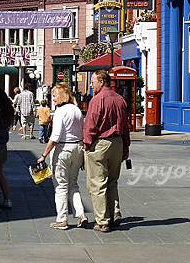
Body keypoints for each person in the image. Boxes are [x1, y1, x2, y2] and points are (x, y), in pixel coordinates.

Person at [83, 70, 130, 233]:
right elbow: (125, 127)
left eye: (93, 81)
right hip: (117, 143)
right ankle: (114, 212)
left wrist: (87, 144)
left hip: (100, 144)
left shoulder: (97, 100)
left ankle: (102, 220)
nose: (91, 84)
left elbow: (90, 125)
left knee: (97, 182)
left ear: (101, 81)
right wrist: (126, 147)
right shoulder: (120, 99)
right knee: (112, 180)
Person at [37, 83, 88, 230]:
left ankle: (62, 219)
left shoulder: (60, 112)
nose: (53, 99)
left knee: (60, 186)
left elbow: (55, 136)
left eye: (54, 96)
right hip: (77, 148)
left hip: (63, 149)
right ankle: (81, 214)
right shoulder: (77, 110)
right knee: (73, 184)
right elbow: (82, 131)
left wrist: (44, 154)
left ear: (61, 96)